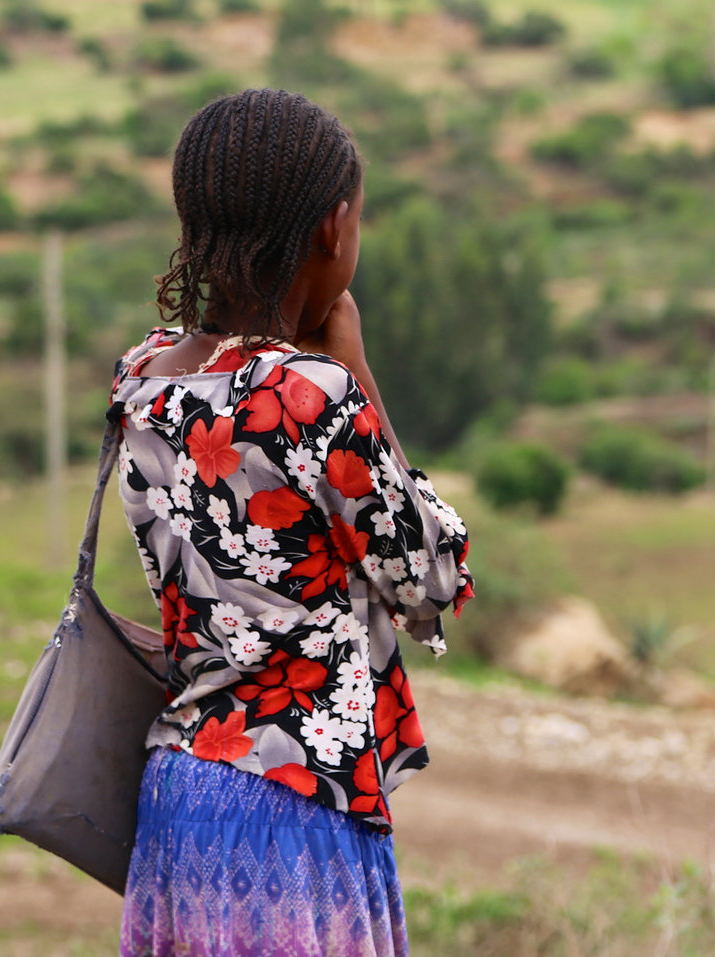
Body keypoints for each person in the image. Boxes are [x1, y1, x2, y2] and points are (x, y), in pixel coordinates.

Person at [108, 88, 472, 957]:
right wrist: (353, 365)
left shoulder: (142, 378)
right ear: (332, 227)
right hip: (296, 799)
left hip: (180, 797)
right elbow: (430, 579)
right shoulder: (313, 394)